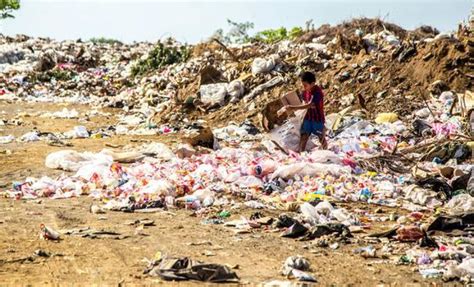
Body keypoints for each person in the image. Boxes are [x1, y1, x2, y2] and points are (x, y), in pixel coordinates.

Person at [283, 71, 327, 152]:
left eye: (305, 85)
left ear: (313, 83)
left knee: (321, 137)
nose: (304, 87)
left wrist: (292, 107)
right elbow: (305, 103)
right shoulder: (306, 92)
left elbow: (309, 105)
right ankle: (301, 154)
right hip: (308, 117)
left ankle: (327, 152)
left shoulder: (317, 92)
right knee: (304, 136)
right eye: (303, 85)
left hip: (317, 118)